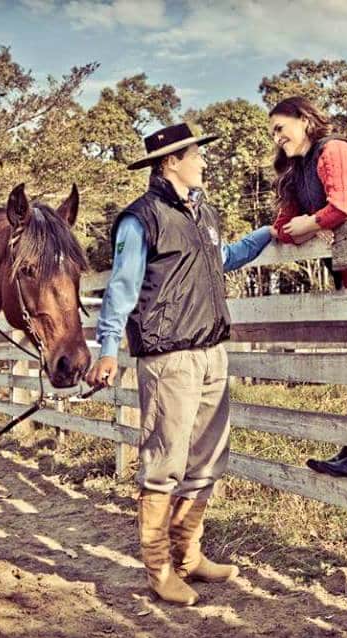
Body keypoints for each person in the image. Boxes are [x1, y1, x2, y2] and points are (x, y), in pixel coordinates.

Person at [86, 122, 274, 606]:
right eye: (196, 154)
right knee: (164, 462)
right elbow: (122, 289)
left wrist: (270, 233)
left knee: (208, 459)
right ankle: (159, 569)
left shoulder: (203, 212)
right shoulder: (140, 219)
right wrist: (108, 348)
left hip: (212, 350)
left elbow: (221, 257)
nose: (204, 161)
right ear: (171, 161)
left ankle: (189, 554)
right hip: (169, 356)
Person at [268, 96, 347, 480]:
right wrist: (284, 230)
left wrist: (309, 224)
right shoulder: (296, 171)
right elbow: (284, 227)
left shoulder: (334, 150)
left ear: (305, 120)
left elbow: (342, 206)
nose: (276, 138)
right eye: (271, 132)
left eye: (280, 128)